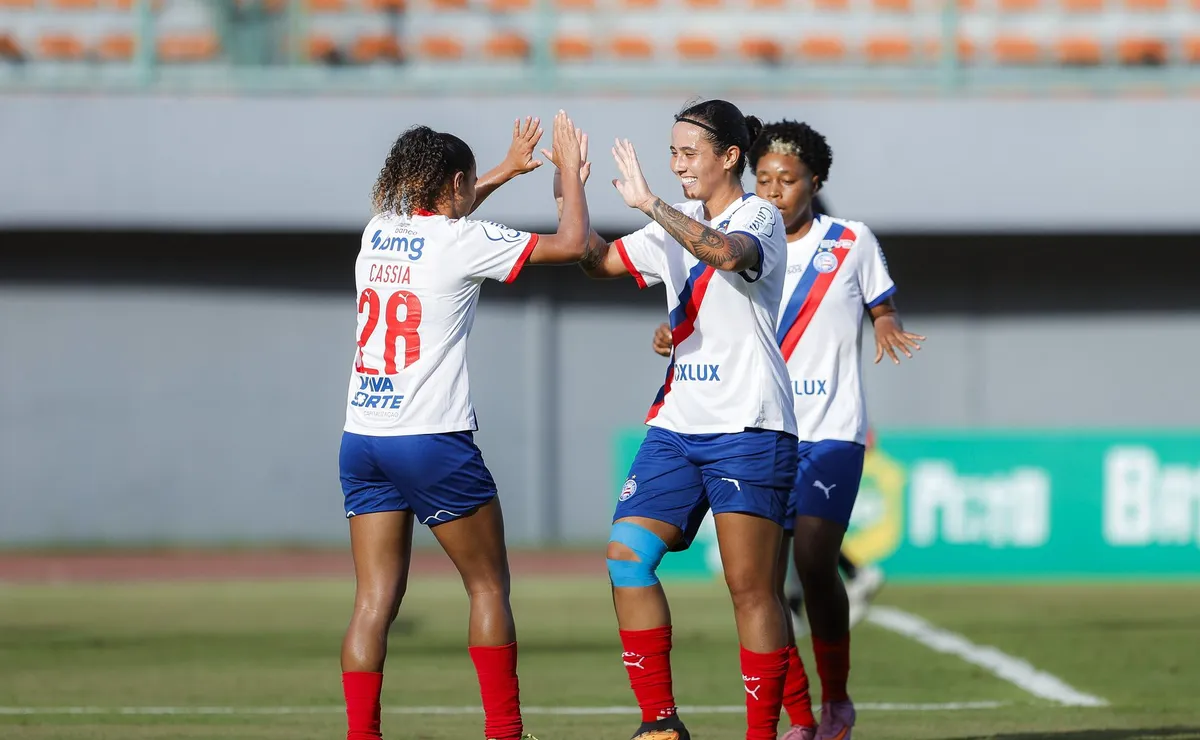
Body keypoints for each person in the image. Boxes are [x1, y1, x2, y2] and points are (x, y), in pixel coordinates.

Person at [649, 120, 923, 740]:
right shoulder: (739, 235)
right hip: (765, 426)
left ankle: (837, 700)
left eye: (788, 180)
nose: (774, 191)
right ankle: (798, 718)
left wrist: (885, 326)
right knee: (761, 585)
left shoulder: (850, 241)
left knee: (814, 558)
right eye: (765, 179)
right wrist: (674, 332)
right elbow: (706, 318)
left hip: (831, 428)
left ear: (814, 182)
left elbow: (882, 304)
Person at [338, 112, 591, 740]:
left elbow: (445, 210)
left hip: (363, 438)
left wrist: (504, 168)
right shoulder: (462, 241)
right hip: (431, 440)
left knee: (373, 605)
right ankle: (505, 733)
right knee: (487, 587)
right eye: (471, 183)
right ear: (454, 183)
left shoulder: (378, 231)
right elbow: (573, 244)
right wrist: (569, 175)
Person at [551, 99, 796, 740]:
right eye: (673, 153)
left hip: (750, 423)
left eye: (689, 153)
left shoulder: (760, 215)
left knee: (750, 588)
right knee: (626, 557)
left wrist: (652, 205)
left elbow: (726, 254)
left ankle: (761, 734)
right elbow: (597, 261)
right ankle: (661, 724)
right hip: (677, 424)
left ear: (730, 157)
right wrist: (571, 190)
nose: (677, 164)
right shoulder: (672, 219)